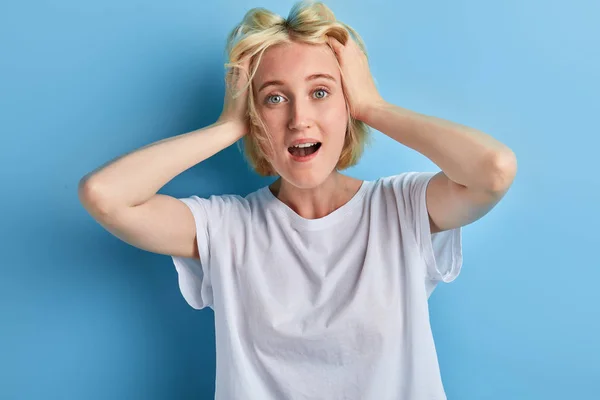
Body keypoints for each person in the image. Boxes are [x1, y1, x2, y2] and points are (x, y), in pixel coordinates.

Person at [78, 1, 517, 399]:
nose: (299, 118)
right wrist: (229, 124)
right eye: (274, 98)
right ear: (256, 117)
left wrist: (371, 105)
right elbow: (105, 196)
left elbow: (492, 171)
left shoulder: (400, 209)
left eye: (321, 92)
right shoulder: (226, 227)